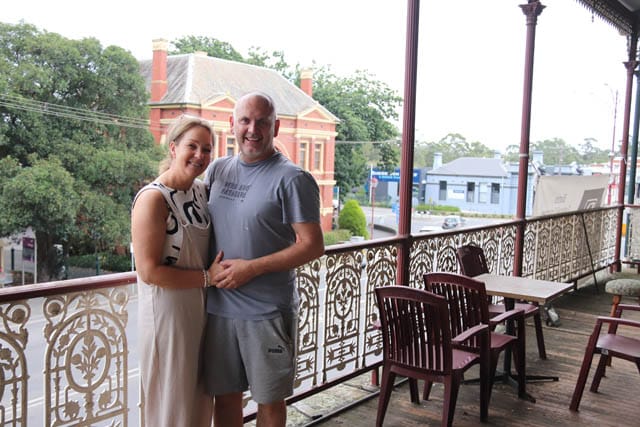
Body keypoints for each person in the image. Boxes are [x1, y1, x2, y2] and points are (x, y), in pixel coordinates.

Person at [203, 91, 325, 426]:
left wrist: (252, 269)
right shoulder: (217, 170)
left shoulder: (293, 179)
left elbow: (312, 245)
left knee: (269, 400)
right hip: (218, 308)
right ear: (232, 124)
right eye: (245, 120)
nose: (252, 129)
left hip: (266, 311)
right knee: (224, 397)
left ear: (276, 126)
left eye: (262, 122)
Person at [131, 115, 223, 427]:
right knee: (171, 404)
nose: (200, 155)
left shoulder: (201, 191)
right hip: (167, 317)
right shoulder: (153, 199)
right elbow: (149, 272)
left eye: (207, 149)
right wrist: (208, 278)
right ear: (173, 148)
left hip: (200, 312)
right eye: (192, 146)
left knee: (198, 403)